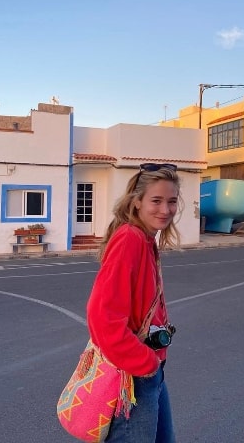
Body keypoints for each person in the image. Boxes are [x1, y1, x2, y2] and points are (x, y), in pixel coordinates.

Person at [86, 163, 182, 443]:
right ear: (137, 201)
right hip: (134, 375)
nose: (165, 209)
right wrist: (146, 363)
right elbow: (102, 317)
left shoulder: (145, 239)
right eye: (156, 200)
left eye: (172, 201)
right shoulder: (130, 239)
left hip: (150, 371)